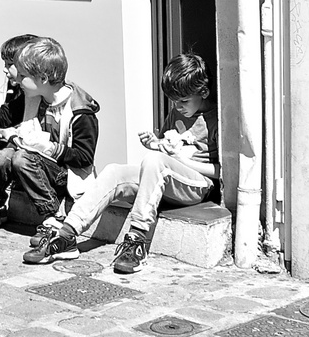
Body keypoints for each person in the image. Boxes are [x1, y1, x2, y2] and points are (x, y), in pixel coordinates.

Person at [24, 53, 218, 273]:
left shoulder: (216, 118)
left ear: (203, 92)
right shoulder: (178, 112)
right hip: (167, 178)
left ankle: (136, 241)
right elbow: (166, 150)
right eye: (174, 100)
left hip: (198, 185)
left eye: (184, 101)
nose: (178, 106)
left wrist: (182, 160)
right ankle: (66, 235)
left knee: (154, 162)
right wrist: (156, 144)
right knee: (115, 171)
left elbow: (222, 172)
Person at [0, 36, 101, 235]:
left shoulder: (80, 112)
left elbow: (85, 157)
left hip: (63, 174)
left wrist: (49, 148)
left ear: (42, 78)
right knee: (2, 155)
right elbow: (2, 119)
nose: (17, 80)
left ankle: (53, 216)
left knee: (20, 156)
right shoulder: (32, 96)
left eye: (23, 75)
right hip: (31, 162)